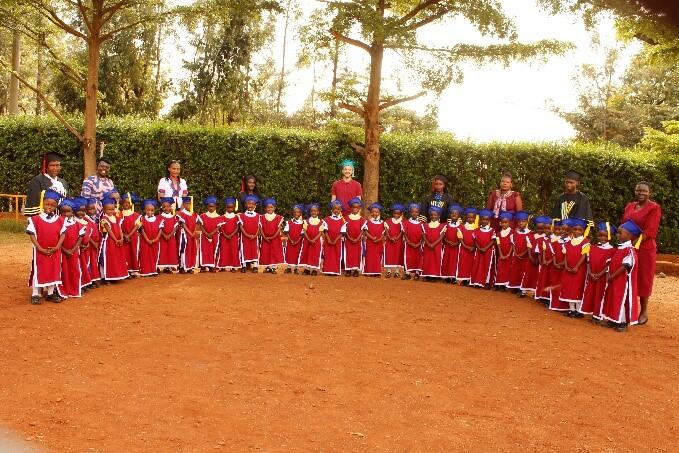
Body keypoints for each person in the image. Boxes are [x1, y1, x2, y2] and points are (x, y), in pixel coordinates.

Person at [620, 181, 662, 325]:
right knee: (628, 276)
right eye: (639, 190)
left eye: (644, 191)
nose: (641, 193)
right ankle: (627, 309)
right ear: (635, 191)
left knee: (644, 278)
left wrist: (634, 243)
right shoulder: (630, 206)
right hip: (628, 247)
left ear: (649, 192)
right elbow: (624, 224)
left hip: (645, 249)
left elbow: (650, 231)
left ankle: (643, 311)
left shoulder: (654, 208)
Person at [27, 189, 66, 304]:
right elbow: (32, 234)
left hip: (55, 251)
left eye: (53, 205)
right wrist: (39, 248)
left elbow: (62, 235)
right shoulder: (35, 219)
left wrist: (57, 247)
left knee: (53, 271)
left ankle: (50, 293)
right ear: (43, 203)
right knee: (39, 271)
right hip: (40, 250)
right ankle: (35, 294)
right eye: (47, 204)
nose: (49, 206)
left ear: (56, 206)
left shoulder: (60, 220)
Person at [601, 220, 641, 332]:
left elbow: (625, 266)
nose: (617, 235)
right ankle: (613, 319)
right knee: (613, 298)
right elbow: (611, 262)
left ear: (629, 235)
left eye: (620, 233)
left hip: (622, 281)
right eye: (617, 233)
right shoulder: (620, 248)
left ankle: (622, 322)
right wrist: (609, 273)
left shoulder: (629, 250)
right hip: (614, 279)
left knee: (621, 300)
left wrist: (612, 276)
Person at [581, 222, 616, 321]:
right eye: (600, 235)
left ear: (609, 236)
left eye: (605, 236)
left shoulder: (611, 250)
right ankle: (593, 313)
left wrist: (600, 274)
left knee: (600, 295)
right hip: (592, 276)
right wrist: (590, 273)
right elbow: (588, 261)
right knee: (592, 294)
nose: (602, 238)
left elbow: (609, 265)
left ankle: (599, 315)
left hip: (602, 278)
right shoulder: (593, 247)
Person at [559, 218, 590, 318]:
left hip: (579, 270)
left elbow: (584, 255)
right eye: (575, 229)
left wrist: (576, 267)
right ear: (572, 230)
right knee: (569, 289)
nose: (577, 231)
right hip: (568, 269)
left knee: (577, 289)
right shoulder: (568, 242)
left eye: (579, 230)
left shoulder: (585, 242)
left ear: (583, 231)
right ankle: (572, 310)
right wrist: (567, 266)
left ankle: (578, 311)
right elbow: (566, 256)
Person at [24, 152, 69, 217]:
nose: (55, 168)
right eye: (52, 165)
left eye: (57, 165)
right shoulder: (37, 181)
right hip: (43, 220)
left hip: (61, 220)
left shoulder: (63, 183)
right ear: (46, 166)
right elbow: (34, 205)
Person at [57, 199, 85, 298]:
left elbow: (80, 236)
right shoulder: (57, 223)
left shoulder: (77, 224)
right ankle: (62, 289)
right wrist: (64, 250)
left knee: (74, 270)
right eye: (63, 212)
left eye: (68, 211)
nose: (65, 214)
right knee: (62, 271)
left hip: (73, 252)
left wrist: (73, 250)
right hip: (61, 252)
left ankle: (74, 289)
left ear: (72, 212)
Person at [98, 197, 129, 282]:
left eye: (112, 209)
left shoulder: (116, 218)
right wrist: (116, 239)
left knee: (116, 259)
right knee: (108, 259)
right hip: (109, 242)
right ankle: (106, 277)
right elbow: (109, 231)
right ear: (104, 209)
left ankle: (116, 275)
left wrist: (121, 238)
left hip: (118, 241)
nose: (111, 211)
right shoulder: (104, 219)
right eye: (108, 209)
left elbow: (119, 228)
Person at [470, 209, 496, 288]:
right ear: (480, 220)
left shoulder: (492, 230)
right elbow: (475, 241)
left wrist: (485, 248)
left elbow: (493, 240)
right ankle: (476, 282)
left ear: (489, 220)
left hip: (488, 251)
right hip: (479, 251)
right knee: (477, 266)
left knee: (486, 266)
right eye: (483, 219)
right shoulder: (477, 230)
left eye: (486, 220)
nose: (484, 221)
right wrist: (479, 248)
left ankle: (486, 282)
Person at [507, 211, 531, 296]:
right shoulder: (514, 233)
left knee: (524, 272)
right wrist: (516, 253)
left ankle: (522, 290)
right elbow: (512, 243)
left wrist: (522, 254)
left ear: (527, 222)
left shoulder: (530, 234)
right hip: (516, 256)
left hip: (525, 257)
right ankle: (515, 286)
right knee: (516, 271)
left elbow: (529, 247)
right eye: (520, 221)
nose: (521, 223)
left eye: (523, 221)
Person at [138, 199, 163, 277]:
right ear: (145, 210)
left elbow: (160, 230)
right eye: (148, 210)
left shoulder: (159, 219)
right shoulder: (142, 219)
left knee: (154, 255)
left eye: (152, 210)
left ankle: (153, 270)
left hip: (155, 241)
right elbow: (142, 230)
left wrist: (156, 239)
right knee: (144, 255)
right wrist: (147, 239)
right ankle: (145, 271)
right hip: (145, 241)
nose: (150, 212)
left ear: (154, 210)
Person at [259, 198, 285, 274]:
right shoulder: (262, 217)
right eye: (268, 207)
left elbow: (279, 229)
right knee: (266, 252)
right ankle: (267, 267)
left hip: (275, 238)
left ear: (274, 208)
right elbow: (260, 228)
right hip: (265, 238)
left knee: (274, 252)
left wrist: (273, 237)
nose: (270, 209)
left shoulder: (278, 217)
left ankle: (273, 267)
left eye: (271, 207)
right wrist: (264, 237)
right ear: (265, 208)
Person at [421, 206, 446, 281]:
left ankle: (434, 276)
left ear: (438, 216)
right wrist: (428, 243)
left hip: (437, 246)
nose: (433, 216)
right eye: (431, 215)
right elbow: (423, 235)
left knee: (436, 260)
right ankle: (427, 275)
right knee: (427, 259)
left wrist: (433, 244)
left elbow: (441, 236)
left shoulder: (442, 226)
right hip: (427, 246)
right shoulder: (425, 225)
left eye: (435, 215)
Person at [216, 198, 241, 272]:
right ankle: (222, 266)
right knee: (224, 251)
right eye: (228, 207)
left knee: (233, 251)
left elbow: (237, 227)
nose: (230, 209)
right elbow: (221, 228)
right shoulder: (222, 217)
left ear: (234, 207)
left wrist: (232, 234)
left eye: (231, 207)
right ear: (226, 207)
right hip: (224, 237)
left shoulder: (236, 217)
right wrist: (226, 235)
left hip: (234, 237)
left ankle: (233, 266)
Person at [321, 200, 345, 276]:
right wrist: (328, 239)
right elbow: (325, 231)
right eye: (334, 208)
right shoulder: (326, 219)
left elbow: (342, 232)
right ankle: (327, 270)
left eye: (338, 209)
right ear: (331, 209)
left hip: (337, 241)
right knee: (328, 255)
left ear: (340, 210)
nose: (336, 210)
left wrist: (335, 240)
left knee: (336, 255)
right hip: (328, 240)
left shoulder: (343, 221)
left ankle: (335, 271)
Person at [120, 192, 141, 277]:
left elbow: (137, 226)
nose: (126, 204)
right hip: (123, 237)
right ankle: (126, 270)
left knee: (133, 252)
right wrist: (124, 235)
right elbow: (118, 226)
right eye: (125, 202)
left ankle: (134, 269)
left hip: (133, 237)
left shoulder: (136, 215)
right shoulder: (119, 214)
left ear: (131, 204)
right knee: (125, 253)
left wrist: (129, 235)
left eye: (128, 203)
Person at [343, 198, 366, 277]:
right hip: (348, 240)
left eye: (357, 207)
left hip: (358, 240)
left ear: (359, 208)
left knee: (357, 254)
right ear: (351, 208)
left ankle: (356, 269)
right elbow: (344, 230)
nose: (355, 209)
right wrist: (349, 237)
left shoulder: (362, 219)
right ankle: (348, 269)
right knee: (348, 254)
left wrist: (357, 238)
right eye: (354, 207)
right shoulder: (346, 218)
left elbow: (363, 230)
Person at [198, 196, 221, 272]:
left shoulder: (218, 217)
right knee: (204, 250)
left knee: (213, 250)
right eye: (209, 206)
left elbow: (218, 227)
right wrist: (206, 233)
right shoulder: (203, 216)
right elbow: (201, 225)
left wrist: (211, 233)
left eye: (213, 206)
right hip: (204, 236)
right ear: (207, 206)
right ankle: (203, 266)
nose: (211, 208)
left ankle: (212, 266)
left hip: (214, 236)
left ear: (215, 206)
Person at [177, 196, 200, 274]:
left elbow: (197, 223)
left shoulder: (193, 214)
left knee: (191, 250)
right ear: (183, 204)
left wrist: (194, 232)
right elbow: (183, 224)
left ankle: (190, 266)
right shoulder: (181, 214)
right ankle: (182, 267)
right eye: (186, 203)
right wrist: (190, 233)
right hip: (184, 235)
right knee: (184, 250)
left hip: (192, 235)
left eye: (189, 203)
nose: (188, 205)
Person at [299, 203, 324, 276]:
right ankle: (307, 269)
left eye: (315, 211)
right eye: (312, 211)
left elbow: (320, 232)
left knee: (315, 255)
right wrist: (309, 239)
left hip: (316, 241)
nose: (314, 212)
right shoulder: (306, 221)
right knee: (307, 254)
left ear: (318, 212)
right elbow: (304, 231)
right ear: (310, 212)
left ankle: (314, 269)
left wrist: (314, 239)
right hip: (307, 240)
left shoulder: (321, 222)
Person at [238, 195, 261, 272]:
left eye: (252, 204)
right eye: (248, 203)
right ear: (245, 205)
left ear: (255, 205)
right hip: (245, 237)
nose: (250, 205)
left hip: (254, 237)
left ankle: (255, 266)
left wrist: (255, 235)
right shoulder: (242, 216)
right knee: (244, 250)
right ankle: (244, 266)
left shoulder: (258, 216)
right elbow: (241, 227)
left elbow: (259, 227)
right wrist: (247, 235)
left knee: (254, 250)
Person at [402, 203, 424, 281]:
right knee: (408, 258)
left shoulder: (422, 224)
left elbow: (423, 235)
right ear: (410, 212)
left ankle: (417, 274)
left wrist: (419, 243)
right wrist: (409, 242)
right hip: (409, 244)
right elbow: (404, 234)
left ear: (419, 213)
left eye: (416, 212)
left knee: (418, 258)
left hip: (418, 245)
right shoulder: (406, 223)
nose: (414, 213)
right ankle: (407, 273)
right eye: (413, 212)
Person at [456, 207, 478, 285]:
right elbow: (460, 238)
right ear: (466, 218)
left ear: (475, 218)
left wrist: (474, 247)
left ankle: (469, 280)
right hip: (463, 248)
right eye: (468, 217)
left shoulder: (477, 228)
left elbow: (477, 240)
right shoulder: (461, 227)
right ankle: (462, 279)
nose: (470, 219)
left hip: (473, 250)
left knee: (471, 264)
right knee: (462, 264)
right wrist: (466, 246)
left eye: (472, 217)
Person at [362, 202, 385, 277]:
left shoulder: (382, 223)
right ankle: (368, 271)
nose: (375, 213)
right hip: (370, 242)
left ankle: (377, 272)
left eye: (376, 212)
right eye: (373, 212)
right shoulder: (367, 222)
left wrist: (379, 239)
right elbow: (365, 231)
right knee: (369, 257)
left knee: (377, 257)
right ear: (371, 213)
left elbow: (384, 233)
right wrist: (371, 238)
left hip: (379, 243)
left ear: (379, 213)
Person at [158, 197, 180, 273]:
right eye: (164, 207)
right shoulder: (159, 217)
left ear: (171, 207)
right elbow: (159, 228)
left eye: (168, 206)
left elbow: (175, 227)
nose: (166, 208)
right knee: (162, 251)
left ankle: (170, 266)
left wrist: (170, 235)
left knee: (171, 251)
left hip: (171, 237)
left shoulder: (174, 218)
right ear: (162, 208)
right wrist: (164, 235)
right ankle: (161, 266)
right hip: (162, 237)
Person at [441, 204, 462, 283]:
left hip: (456, 247)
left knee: (454, 261)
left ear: (459, 215)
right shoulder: (446, 226)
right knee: (446, 260)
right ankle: (446, 276)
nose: (453, 215)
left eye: (455, 213)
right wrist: (447, 241)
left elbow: (461, 238)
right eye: (452, 213)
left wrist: (457, 243)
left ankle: (453, 277)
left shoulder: (460, 227)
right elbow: (442, 236)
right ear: (450, 215)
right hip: (447, 246)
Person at [383, 203, 405, 279]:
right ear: (392, 213)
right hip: (389, 241)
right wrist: (390, 238)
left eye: (398, 213)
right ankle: (388, 271)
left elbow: (402, 232)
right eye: (394, 213)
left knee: (398, 255)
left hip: (399, 242)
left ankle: (397, 272)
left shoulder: (403, 222)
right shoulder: (388, 221)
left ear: (401, 214)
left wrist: (397, 238)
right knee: (389, 255)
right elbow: (386, 231)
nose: (396, 215)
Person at [494, 211, 514, 290]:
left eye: (506, 222)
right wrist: (501, 254)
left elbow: (512, 244)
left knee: (507, 270)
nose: (504, 224)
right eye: (503, 222)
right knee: (500, 269)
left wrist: (508, 254)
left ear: (509, 223)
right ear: (500, 223)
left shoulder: (512, 232)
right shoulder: (499, 233)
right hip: (501, 255)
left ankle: (504, 285)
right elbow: (498, 244)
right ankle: (499, 284)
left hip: (509, 255)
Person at [83, 198, 102, 286]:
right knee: (88, 262)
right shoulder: (85, 219)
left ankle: (94, 278)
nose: (92, 211)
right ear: (86, 210)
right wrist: (93, 242)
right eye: (89, 209)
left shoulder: (93, 219)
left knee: (93, 262)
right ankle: (89, 280)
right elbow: (86, 234)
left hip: (94, 244)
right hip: (89, 244)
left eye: (93, 209)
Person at [283, 203, 305, 274]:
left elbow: (302, 234)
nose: (296, 213)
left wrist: (297, 241)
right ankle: (289, 268)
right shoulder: (289, 222)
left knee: (297, 254)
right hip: (290, 241)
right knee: (289, 254)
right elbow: (287, 232)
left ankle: (296, 268)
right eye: (295, 212)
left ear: (300, 213)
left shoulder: (303, 223)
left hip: (298, 242)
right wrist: (291, 240)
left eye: (298, 212)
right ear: (293, 213)